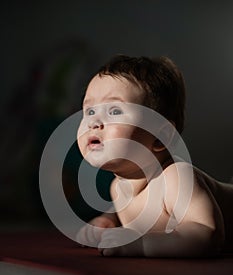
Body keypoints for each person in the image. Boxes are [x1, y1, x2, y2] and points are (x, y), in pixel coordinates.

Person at [77, 55, 233, 257]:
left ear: (160, 136)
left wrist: (142, 244)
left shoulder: (176, 178)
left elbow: (207, 231)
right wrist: (108, 220)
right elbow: (136, 209)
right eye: (89, 111)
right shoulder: (118, 187)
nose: (94, 122)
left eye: (114, 111)